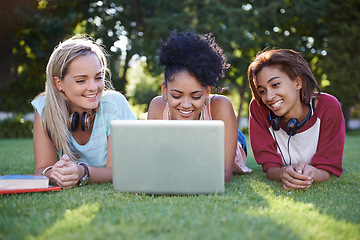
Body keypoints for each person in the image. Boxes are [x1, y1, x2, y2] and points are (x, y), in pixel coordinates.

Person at [32, 35, 136, 188]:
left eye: (98, 77)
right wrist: (56, 174)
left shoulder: (114, 104)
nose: (93, 87)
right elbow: (42, 169)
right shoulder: (45, 108)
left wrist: (83, 172)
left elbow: (122, 171)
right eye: (81, 80)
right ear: (59, 83)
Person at [147, 31, 252, 182]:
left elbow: (225, 175)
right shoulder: (157, 106)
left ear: (206, 92)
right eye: (176, 95)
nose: (185, 105)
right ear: (165, 90)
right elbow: (155, 161)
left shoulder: (221, 106)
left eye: (196, 96)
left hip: (229, 137)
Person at [248, 48, 345, 190]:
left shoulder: (328, 106)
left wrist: (310, 174)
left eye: (275, 85)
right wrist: (283, 173)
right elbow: (270, 167)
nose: (268, 97)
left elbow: (328, 168)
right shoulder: (258, 108)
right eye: (262, 91)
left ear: (298, 82)